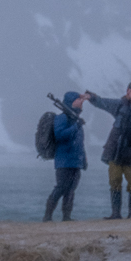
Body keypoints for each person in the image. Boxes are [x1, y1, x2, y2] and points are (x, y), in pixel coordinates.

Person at [85, 80, 131, 219]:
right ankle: (116, 214)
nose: (127, 92)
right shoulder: (120, 105)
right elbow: (103, 103)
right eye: (128, 89)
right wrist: (91, 97)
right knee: (114, 182)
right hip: (115, 152)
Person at [43, 91, 87, 222]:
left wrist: (83, 160)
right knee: (61, 187)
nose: (81, 101)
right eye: (78, 99)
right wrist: (76, 126)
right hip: (64, 161)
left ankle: (66, 216)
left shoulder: (75, 119)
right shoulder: (63, 118)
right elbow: (60, 135)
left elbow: (80, 143)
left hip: (75, 162)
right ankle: (48, 216)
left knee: (71, 190)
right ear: (71, 102)